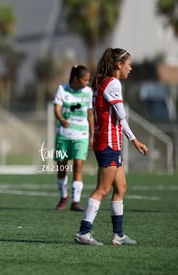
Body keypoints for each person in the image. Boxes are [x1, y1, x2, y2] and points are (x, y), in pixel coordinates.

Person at [74, 48, 148, 246]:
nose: (130, 68)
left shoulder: (101, 82)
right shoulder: (113, 83)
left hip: (108, 142)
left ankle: (118, 235)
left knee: (120, 187)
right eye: (128, 64)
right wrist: (135, 140)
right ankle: (84, 232)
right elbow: (122, 118)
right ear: (119, 65)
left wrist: (132, 141)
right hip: (108, 143)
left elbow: (116, 118)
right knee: (103, 189)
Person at [53, 65, 93, 211]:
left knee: (78, 167)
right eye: (85, 80)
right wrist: (62, 119)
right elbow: (56, 109)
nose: (87, 83)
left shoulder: (88, 92)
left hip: (81, 135)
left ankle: (75, 202)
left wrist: (92, 136)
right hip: (63, 135)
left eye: (88, 80)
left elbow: (90, 114)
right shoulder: (62, 89)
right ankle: (64, 196)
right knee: (62, 167)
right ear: (76, 79)